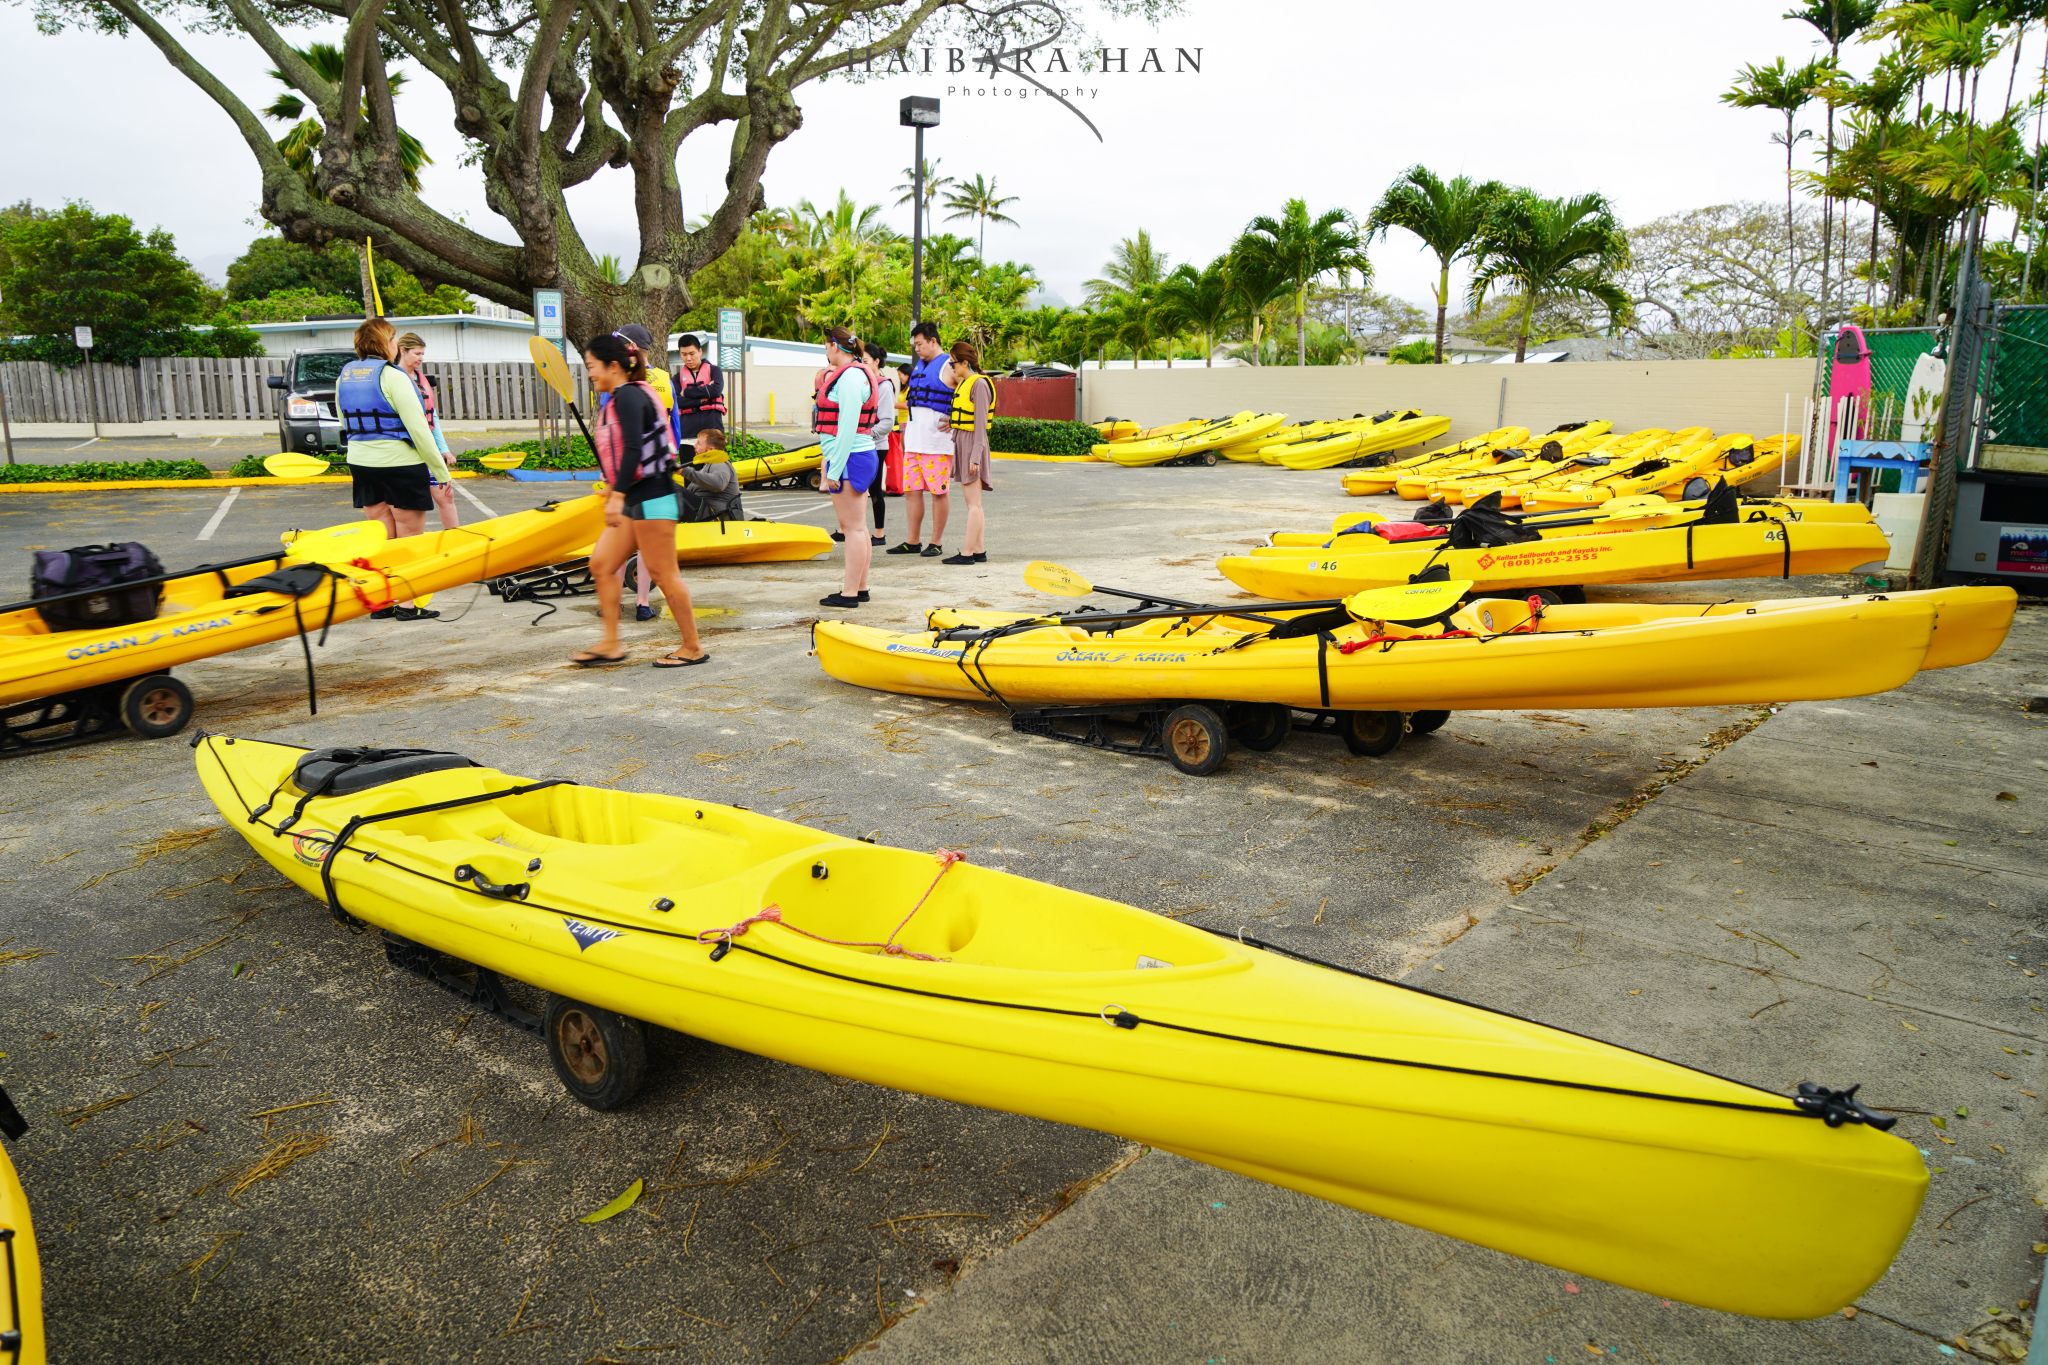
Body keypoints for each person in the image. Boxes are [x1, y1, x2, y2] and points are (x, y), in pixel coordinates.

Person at [573, 331, 709, 669]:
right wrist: (616, 488)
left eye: (593, 366)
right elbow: (628, 454)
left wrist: (616, 495)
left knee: (665, 575)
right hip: (638, 498)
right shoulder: (624, 396)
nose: (590, 373)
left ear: (614, 366)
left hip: (654, 498)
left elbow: (633, 448)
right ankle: (610, 642)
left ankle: (692, 646)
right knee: (602, 564)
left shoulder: (630, 397)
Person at [336, 316, 449, 620]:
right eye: (393, 340)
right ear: (385, 344)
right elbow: (419, 431)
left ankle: (383, 602)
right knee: (410, 538)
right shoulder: (395, 377)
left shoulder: (345, 376)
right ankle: (408, 606)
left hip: (361, 464)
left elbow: (345, 421)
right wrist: (440, 473)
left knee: (384, 538)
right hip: (399, 465)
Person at [813, 325, 879, 608]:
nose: (825, 351)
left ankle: (850, 593)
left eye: (826, 345)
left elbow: (847, 427)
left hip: (851, 458)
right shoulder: (856, 373)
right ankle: (859, 588)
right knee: (859, 528)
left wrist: (834, 471)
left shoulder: (851, 377)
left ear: (835, 347)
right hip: (856, 457)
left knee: (851, 529)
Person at [616, 323, 678, 620]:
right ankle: (642, 603)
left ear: (630, 348)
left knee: (618, 539)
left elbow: (613, 432)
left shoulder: (618, 380)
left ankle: (612, 602)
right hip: (658, 471)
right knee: (646, 546)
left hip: (627, 475)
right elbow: (673, 426)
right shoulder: (664, 379)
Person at [891, 321, 952, 558]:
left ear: (932, 341)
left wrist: (956, 419)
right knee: (913, 491)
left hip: (937, 442)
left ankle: (935, 542)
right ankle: (912, 541)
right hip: (915, 441)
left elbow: (974, 392)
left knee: (938, 492)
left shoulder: (949, 364)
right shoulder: (919, 367)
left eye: (919, 343)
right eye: (914, 344)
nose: (916, 348)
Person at [394, 331, 458, 530]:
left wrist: (443, 449)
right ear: (402, 351)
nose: (421, 359)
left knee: (446, 495)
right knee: (407, 507)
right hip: (405, 450)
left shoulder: (422, 379)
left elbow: (433, 418)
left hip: (427, 446)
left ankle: (456, 539)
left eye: (423, 354)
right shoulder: (393, 377)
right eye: (417, 354)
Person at [942, 339, 994, 565]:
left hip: (973, 443)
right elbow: (969, 417)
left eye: (953, 363)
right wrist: (953, 423)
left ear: (965, 362)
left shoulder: (979, 384)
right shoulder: (966, 382)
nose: (951, 367)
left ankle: (967, 553)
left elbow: (980, 424)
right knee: (974, 503)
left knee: (973, 504)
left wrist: (976, 456)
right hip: (963, 439)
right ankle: (979, 550)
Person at [863, 341, 895, 548]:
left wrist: (866, 435)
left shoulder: (883, 385)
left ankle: (879, 533)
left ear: (876, 361)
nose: (863, 364)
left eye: (866, 361)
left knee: (875, 490)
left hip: (876, 446)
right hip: (862, 444)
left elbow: (887, 423)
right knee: (855, 490)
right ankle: (849, 530)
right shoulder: (864, 383)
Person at [678, 428, 744, 522]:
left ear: (711, 450)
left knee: (674, 491)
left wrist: (684, 472)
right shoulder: (707, 466)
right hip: (706, 513)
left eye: (699, 443)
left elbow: (719, 484)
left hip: (715, 517)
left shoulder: (720, 463)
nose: (694, 446)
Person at [672, 333, 726, 443]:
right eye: (684, 354)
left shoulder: (714, 371)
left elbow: (715, 391)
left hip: (713, 431)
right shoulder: (677, 378)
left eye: (692, 354)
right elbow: (677, 401)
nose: (688, 358)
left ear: (700, 351)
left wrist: (686, 392)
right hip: (687, 434)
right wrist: (702, 399)